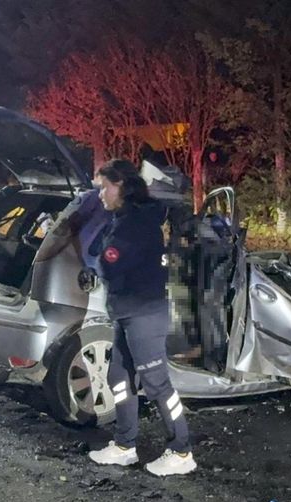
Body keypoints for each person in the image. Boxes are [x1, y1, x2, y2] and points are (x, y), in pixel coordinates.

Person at [87, 159, 196, 477]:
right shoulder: (121, 218)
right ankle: (124, 446)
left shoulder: (135, 222)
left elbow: (109, 262)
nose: (100, 195)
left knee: (156, 384)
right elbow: (101, 252)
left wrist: (98, 259)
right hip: (125, 311)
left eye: (104, 187)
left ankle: (182, 450)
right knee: (118, 378)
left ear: (120, 185)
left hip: (144, 314)